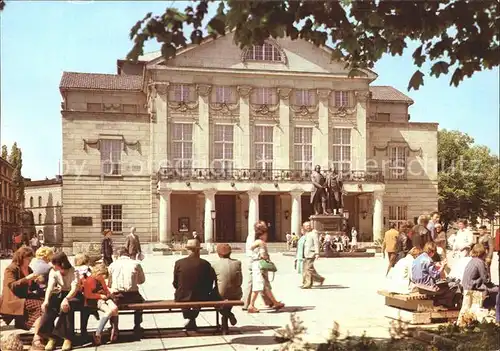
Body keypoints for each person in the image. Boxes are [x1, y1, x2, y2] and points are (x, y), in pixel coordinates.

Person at [0, 247, 44, 349]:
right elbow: (12, 285)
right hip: (14, 299)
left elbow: (31, 286)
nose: (29, 261)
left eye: (31, 259)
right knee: (40, 306)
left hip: (25, 297)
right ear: (21, 257)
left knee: (47, 303)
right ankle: (37, 338)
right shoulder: (11, 268)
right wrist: (27, 278)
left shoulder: (28, 269)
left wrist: (38, 282)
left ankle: (45, 333)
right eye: (28, 259)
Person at [38, 252, 81, 351]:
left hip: (73, 295)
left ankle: (67, 338)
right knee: (49, 307)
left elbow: (74, 289)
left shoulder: (74, 272)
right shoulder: (53, 272)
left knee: (66, 307)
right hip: (61, 293)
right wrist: (46, 301)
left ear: (61, 263)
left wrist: (66, 299)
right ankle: (51, 337)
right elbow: (50, 287)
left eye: (54, 263)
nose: (52, 266)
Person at [173, 239, 216, 330]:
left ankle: (190, 318)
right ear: (198, 250)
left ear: (188, 250)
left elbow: (175, 283)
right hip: (201, 296)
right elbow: (209, 283)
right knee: (200, 296)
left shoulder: (179, 263)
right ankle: (192, 319)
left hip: (182, 296)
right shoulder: (205, 264)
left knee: (181, 296)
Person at [247, 221, 285, 312]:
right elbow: (263, 255)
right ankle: (251, 305)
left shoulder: (255, 241)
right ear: (262, 234)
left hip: (255, 264)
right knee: (258, 286)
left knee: (265, 286)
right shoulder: (261, 243)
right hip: (260, 265)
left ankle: (275, 302)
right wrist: (268, 259)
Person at [458, 243, 499, 325]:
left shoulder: (473, 260)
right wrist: (487, 266)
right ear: (483, 253)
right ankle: (497, 315)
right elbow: (486, 280)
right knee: (498, 290)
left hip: (467, 285)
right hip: (474, 287)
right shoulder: (480, 262)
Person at [108, 246, 146, 334]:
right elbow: (141, 281)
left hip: (117, 296)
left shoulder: (112, 265)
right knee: (141, 301)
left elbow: (109, 284)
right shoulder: (136, 264)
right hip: (133, 295)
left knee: (110, 303)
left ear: (117, 255)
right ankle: (137, 325)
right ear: (127, 254)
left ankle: (113, 326)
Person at [412, 242, 457, 309]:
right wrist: (442, 267)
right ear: (432, 251)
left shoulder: (417, 259)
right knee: (453, 286)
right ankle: (440, 303)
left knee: (444, 285)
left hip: (418, 286)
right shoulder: (428, 260)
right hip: (427, 287)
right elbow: (436, 275)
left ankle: (438, 301)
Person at [83, 264, 119, 345]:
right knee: (109, 311)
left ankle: (115, 330)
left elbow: (105, 289)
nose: (103, 278)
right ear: (98, 273)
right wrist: (100, 296)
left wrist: (109, 294)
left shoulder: (101, 279)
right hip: (95, 300)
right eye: (102, 275)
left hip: (105, 297)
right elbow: (87, 295)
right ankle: (98, 333)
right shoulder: (89, 281)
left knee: (115, 308)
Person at [211, 244, 242, 333]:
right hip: (236, 294)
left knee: (217, 295)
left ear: (218, 253)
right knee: (229, 294)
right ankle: (226, 320)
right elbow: (240, 280)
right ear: (230, 252)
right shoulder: (237, 263)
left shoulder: (215, 265)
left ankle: (228, 315)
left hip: (221, 294)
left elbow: (212, 281)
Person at [242, 222, 273, 310]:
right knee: (257, 282)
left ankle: (269, 301)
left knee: (259, 282)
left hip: (251, 259)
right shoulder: (257, 238)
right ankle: (248, 304)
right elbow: (258, 250)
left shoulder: (251, 235)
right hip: (255, 261)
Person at [301, 222, 325, 289]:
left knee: (308, 269)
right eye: (306, 226)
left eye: (309, 225)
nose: (308, 227)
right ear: (304, 227)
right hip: (306, 253)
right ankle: (319, 279)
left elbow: (316, 243)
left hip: (311, 253)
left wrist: (317, 253)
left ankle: (307, 284)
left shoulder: (314, 233)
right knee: (309, 269)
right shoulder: (306, 234)